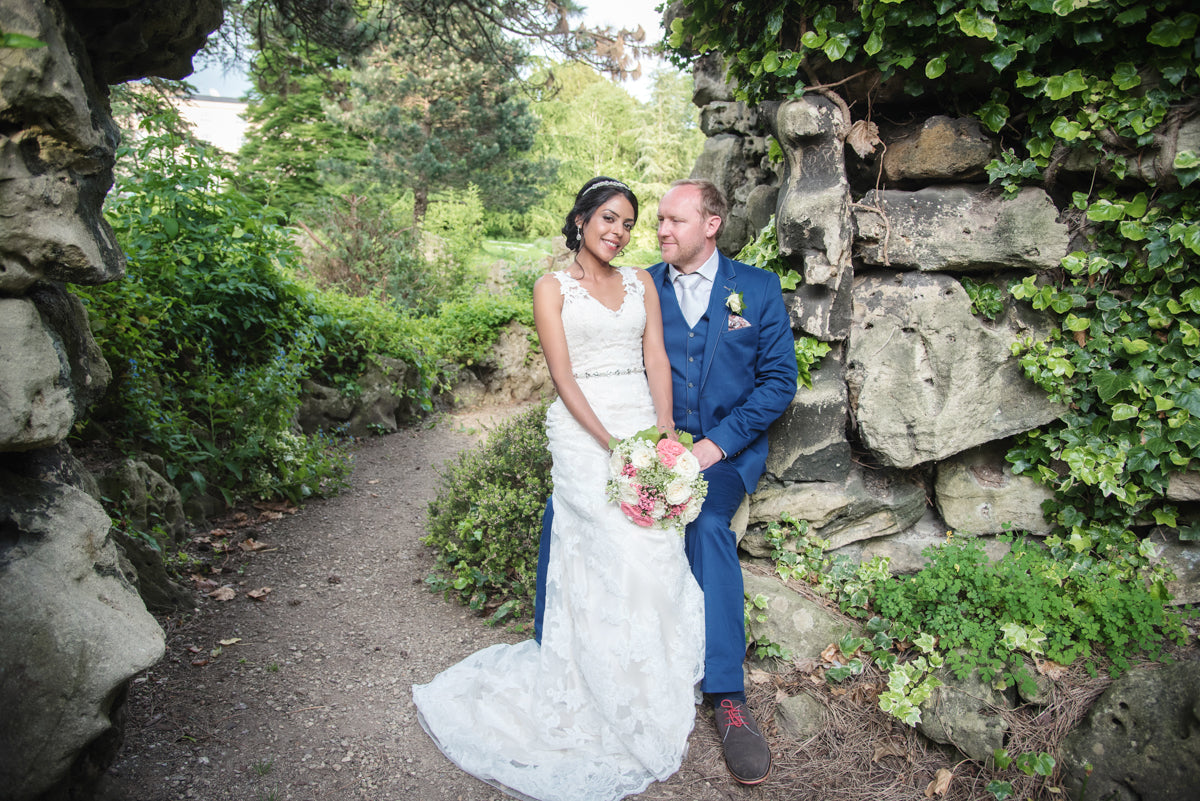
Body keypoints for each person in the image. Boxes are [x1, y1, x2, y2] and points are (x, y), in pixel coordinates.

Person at [412, 177, 706, 801]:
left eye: (627, 222)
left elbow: (656, 356)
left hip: (640, 420)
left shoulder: (641, 282)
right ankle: (593, 680)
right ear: (579, 220)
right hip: (583, 432)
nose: (618, 231)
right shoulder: (551, 288)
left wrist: (662, 435)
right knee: (605, 543)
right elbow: (563, 378)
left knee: (655, 546)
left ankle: (644, 678)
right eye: (607, 218)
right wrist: (612, 445)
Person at [535, 178, 797, 786]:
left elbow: (779, 383)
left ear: (712, 223)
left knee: (704, 524)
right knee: (569, 509)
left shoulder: (755, 289)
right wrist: (654, 443)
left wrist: (711, 446)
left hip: (721, 451)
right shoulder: (642, 281)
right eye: (655, 221)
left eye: (673, 221)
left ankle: (728, 698)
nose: (658, 232)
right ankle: (563, 649)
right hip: (645, 443)